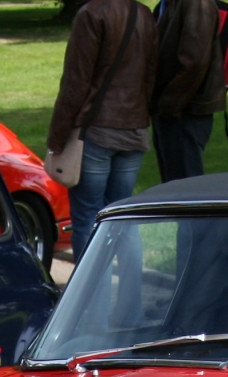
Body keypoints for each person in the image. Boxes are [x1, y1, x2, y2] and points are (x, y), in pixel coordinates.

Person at [49, 0, 156, 259]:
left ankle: (92, 295)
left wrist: (57, 137)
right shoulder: (143, 14)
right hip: (134, 127)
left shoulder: (91, 14)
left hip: (97, 129)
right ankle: (132, 296)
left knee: (88, 218)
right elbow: (150, 75)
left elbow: (76, 82)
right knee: (124, 221)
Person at [150, 0, 225, 182]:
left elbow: (194, 61)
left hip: (184, 111)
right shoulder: (166, 4)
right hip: (170, 110)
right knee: (173, 189)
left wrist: (169, 106)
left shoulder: (196, 3)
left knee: (184, 193)